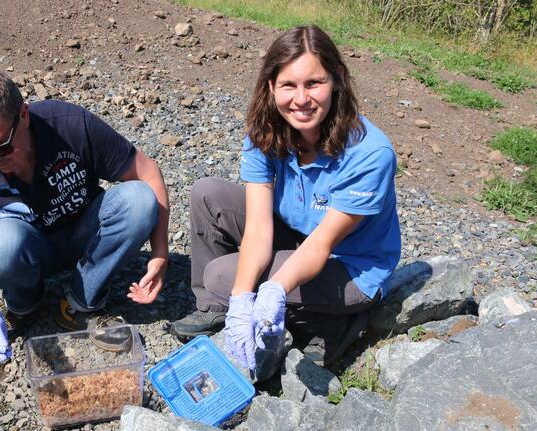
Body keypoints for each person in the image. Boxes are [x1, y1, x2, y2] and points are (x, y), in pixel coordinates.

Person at [170, 25, 401, 369]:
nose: (301, 99)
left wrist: (273, 290)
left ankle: (332, 322)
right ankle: (218, 310)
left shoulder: (370, 153)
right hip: (297, 236)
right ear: (271, 86)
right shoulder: (266, 131)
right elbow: (259, 229)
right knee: (208, 196)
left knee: (222, 275)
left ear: (336, 79)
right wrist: (241, 300)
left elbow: (321, 244)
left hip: (349, 266)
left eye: (314, 83)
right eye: (288, 85)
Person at [0, 65, 170, 363]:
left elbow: (147, 173)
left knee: (139, 200)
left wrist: (160, 254)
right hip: (27, 252)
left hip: (86, 236)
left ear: (23, 116)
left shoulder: (67, 125)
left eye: (1, 148)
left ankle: (80, 301)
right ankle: (26, 303)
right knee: (0, 244)